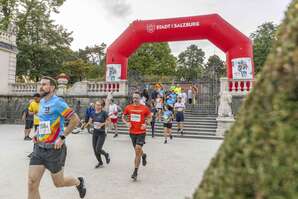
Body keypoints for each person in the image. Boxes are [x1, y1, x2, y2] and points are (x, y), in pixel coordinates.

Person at [28, 76, 86, 199]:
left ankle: (79, 182)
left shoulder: (58, 102)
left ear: (52, 87)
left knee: (59, 183)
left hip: (54, 150)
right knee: (32, 183)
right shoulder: (42, 102)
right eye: (40, 84)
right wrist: (37, 133)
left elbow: (75, 120)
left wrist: (62, 137)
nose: (41, 86)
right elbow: (45, 121)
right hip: (39, 149)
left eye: (44, 84)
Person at [122, 92, 152, 181]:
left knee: (137, 149)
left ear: (140, 99)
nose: (135, 99)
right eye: (134, 98)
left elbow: (150, 117)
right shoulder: (128, 107)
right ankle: (144, 155)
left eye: (137, 98)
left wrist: (146, 124)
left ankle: (135, 172)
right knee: (137, 149)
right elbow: (123, 117)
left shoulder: (144, 108)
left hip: (141, 132)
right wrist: (126, 123)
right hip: (132, 132)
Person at [89, 100, 111, 168]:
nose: (97, 106)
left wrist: (103, 124)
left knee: (98, 149)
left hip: (102, 133)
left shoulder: (104, 113)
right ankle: (100, 162)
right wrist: (91, 123)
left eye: (99, 105)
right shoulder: (92, 113)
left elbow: (109, 121)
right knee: (95, 150)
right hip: (95, 133)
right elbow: (90, 121)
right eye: (96, 105)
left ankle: (106, 154)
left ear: (101, 106)